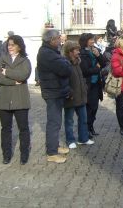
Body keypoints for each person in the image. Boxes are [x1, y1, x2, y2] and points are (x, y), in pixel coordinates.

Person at [0, 35, 32, 165]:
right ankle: (6, 155)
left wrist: (6, 72)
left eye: (13, 45)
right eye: (9, 44)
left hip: (21, 99)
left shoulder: (25, 60)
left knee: (23, 128)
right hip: (4, 99)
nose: (10, 47)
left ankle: (24, 154)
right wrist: (13, 82)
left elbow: (24, 75)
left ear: (19, 46)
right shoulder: (1, 59)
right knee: (5, 129)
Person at [37, 29, 72, 164]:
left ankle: (55, 145)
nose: (60, 40)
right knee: (54, 122)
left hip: (56, 90)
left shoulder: (50, 51)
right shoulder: (47, 53)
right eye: (58, 38)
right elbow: (65, 69)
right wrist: (66, 62)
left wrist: (65, 62)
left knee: (56, 121)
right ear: (51, 40)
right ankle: (51, 152)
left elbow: (64, 65)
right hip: (53, 92)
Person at [63, 41, 94, 148]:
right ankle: (70, 140)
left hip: (81, 96)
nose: (78, 52)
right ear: (70, 52)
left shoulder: (77, 62)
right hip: (70, 97)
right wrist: (69, 92)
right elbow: (64, 81)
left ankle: (83, 138)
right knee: (69, 120)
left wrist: (84, 88)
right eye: (76, 50)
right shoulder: (65, 63)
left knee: (83, 119)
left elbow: (81, 78)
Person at [79, 33, 106, 137]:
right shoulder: (81, 53)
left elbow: (104, 63)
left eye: (93, 39)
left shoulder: (95, 50)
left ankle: (91, 126)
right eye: (90, 39)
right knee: (88, 108)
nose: (92, 41)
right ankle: (86, 129)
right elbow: (85, 70)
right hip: (87, 84)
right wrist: (97, 68)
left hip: (96, 83)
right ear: (85, 41)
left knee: (94, 107)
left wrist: (98, 56)